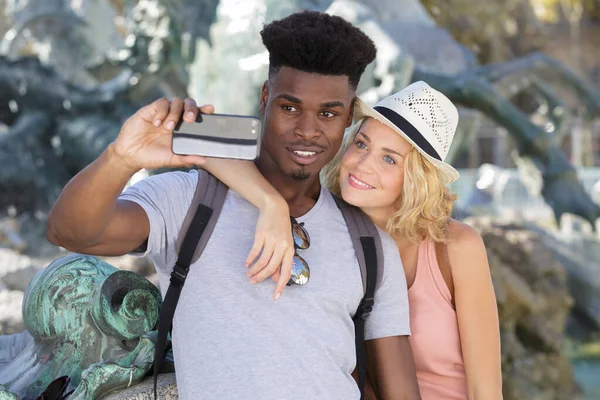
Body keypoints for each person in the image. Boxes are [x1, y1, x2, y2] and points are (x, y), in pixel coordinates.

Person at [46, 11, 421, 400]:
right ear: (264, 99)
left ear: (347, 118)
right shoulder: (189, 202)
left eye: (328, 113)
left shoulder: (370, 245)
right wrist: (121, 158)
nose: (307, 130)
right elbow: (68, 231)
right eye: (290, 108)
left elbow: (400, 391)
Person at [223, 82, 503, 399]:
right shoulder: (321, 224)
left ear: (416, 178)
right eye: (361, 144)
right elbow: (213, 154)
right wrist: (270, 203)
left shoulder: (456, 246)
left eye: (389, 159)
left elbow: (486, 389)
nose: (363, 164)